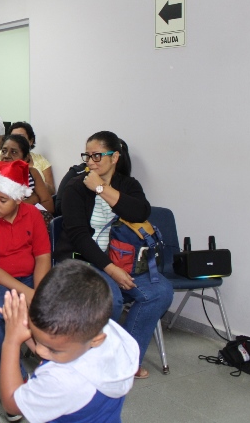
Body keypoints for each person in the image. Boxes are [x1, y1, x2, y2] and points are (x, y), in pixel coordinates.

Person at [54, 131, 173, 380]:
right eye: (87, 156)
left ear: (115, 157)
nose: (91, 161)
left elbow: (140, 212)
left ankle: (126, 361)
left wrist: (100, 188)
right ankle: (93, 362)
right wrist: (110, 269)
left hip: (124, 260)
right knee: (111, 299)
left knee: (160, 291)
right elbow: (79, 237)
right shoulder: (75, 187)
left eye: (97, 155)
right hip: (85, 261)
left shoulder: (128, 185)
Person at [0, 261, 138, 422]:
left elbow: (11, 404)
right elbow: (59, 344)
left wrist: (11, 342)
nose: (39, 351)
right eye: (38, 339)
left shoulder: (62, 380)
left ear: (96, 340)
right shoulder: (107, 331)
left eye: (53, 350)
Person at [0, 160, 51, 371]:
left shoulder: (33, 215)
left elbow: (42, 257)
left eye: (2, 200)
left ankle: (53, 363)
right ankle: (13, 370)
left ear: (19, 198)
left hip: (28, 277)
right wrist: (27, 293)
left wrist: (38, 292)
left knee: (55, 302)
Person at [0, 121, 55, 194]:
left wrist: (38, 185)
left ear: (31, 141)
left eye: (21, 137)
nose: (7, 155)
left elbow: (51, 191)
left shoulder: (37, 166)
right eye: (13, 136)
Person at [0, 134, 54, 216]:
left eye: (14, 152)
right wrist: (32, 200)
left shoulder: (32, 173)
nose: (6, 156)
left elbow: (49, 206)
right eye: (4, 151)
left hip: (31, 219)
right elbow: (4, 210)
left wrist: (23, 209)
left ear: (25, 158)